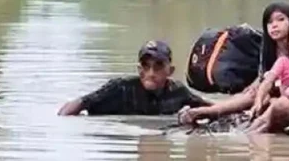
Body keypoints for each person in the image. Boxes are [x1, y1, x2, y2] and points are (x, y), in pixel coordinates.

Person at [179, 2, 289, 124]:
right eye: (270, 22)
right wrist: (256, 85)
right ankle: (210, 110)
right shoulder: (268, 48)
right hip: (271, 89)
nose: (274, 25)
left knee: (261, 97)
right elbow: (264, 74)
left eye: (280, 20)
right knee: (251, 93)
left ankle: (209, 111)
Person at [58, 40, 211, 116]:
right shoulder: (120, 88)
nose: (151, 73)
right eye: (146, 66)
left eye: (158, 66)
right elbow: (79, 103)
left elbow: (210, 108)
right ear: (139, 70)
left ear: (170, 71)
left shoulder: (178, 92)